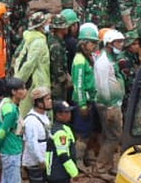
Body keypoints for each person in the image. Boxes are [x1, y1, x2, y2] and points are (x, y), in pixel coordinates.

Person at [93, 30, 125, 173]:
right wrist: (110, 106)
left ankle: (108, 165)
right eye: (118, 42)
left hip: (112, 103)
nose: (121, 45)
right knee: (114, 136)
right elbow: (103, 86)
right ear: (110, 44)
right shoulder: (104, 62)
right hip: (109, 104)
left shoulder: (110, 58)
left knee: (109, 135)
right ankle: (101, 166)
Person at [46, 100, 79, 183]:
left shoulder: (58, 128)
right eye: (66, 112)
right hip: (59, 172)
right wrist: (74, 172)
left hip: (53, 171)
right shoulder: (61, 132)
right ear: (58, 114)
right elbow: (63, 155)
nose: (69, 114)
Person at [22, 86, 53, 183]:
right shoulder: (31, 121)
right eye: (47, 99)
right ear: (38, 102)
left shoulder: (44, 117)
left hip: (44, 159)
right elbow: (31, 143)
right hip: (35, 161)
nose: (50, 101)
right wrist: (40, 160)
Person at [70, 23, 99, 167]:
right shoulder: (80, 61)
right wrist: (82, 105)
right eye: (92, 43)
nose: (94, 46)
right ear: (84, 43)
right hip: (83, 101)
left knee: (88, 132)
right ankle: (78, 162)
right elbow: (78, 84)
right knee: (81, 133)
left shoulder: (88, 58)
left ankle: (87, 157)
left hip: (89, 100)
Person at [15, 13, 51, 117]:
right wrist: (18, 84)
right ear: (40, 25)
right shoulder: (38, 42)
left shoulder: (31, 39)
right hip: (36, 83)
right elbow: (29, 65)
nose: (49, 24)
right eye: (47, 22)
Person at [48, 12, 74, 102]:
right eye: (65, 26)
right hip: (56, 85)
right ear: (59, 28)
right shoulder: (55, 45)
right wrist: (66, 79)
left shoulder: (59, 41)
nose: (67, 28)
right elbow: (57, 68)